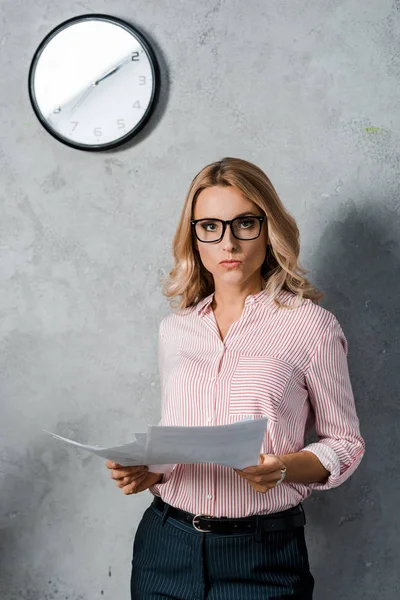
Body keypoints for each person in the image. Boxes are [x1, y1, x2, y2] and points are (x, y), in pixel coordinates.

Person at [106, 157, 366, 599]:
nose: (228, 243)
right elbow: (182, 439)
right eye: (210, 226)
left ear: (269, 229)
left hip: (263, 554)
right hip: (165, 545)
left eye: (244, 223)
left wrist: (283, 468)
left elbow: (346, 444)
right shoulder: (176, 330)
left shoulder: (312, 326)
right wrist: (149, 472)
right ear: (194, 237)